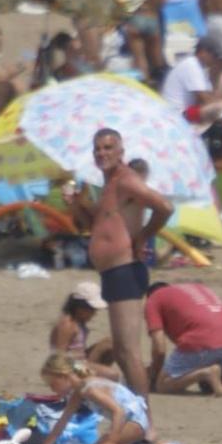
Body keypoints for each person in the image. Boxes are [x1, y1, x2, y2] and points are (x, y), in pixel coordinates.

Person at [73, 128, 170, 399]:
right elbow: (96, 223)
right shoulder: (109, 185)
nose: (102, 153)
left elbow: (164, 206)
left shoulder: (126, 180)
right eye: (98, 149)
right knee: (122, 351)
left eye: (108, 148)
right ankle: (138, 417)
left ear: (121, 152)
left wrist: (143, 237)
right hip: (114, 273)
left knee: (128, 352)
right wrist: (77, 204)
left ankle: (144, 421)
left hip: (125, 270)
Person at [145, 279, 222, 396]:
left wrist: (154, 374)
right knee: (207, 385)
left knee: (162, 385)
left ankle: (205, 373)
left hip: (201, 342)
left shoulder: (154, 299)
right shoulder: (195, 289)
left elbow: (159, 349)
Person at [49, 279, 114, 367]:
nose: (94, 314)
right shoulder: (67, 324)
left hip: (80, 362)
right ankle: (89, 377)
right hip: (71, 366)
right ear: (80, 307)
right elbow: (58, 355)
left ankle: (95, 377)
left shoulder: (79, 322)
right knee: (113, 375)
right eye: (91, 310)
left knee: (111, 343)